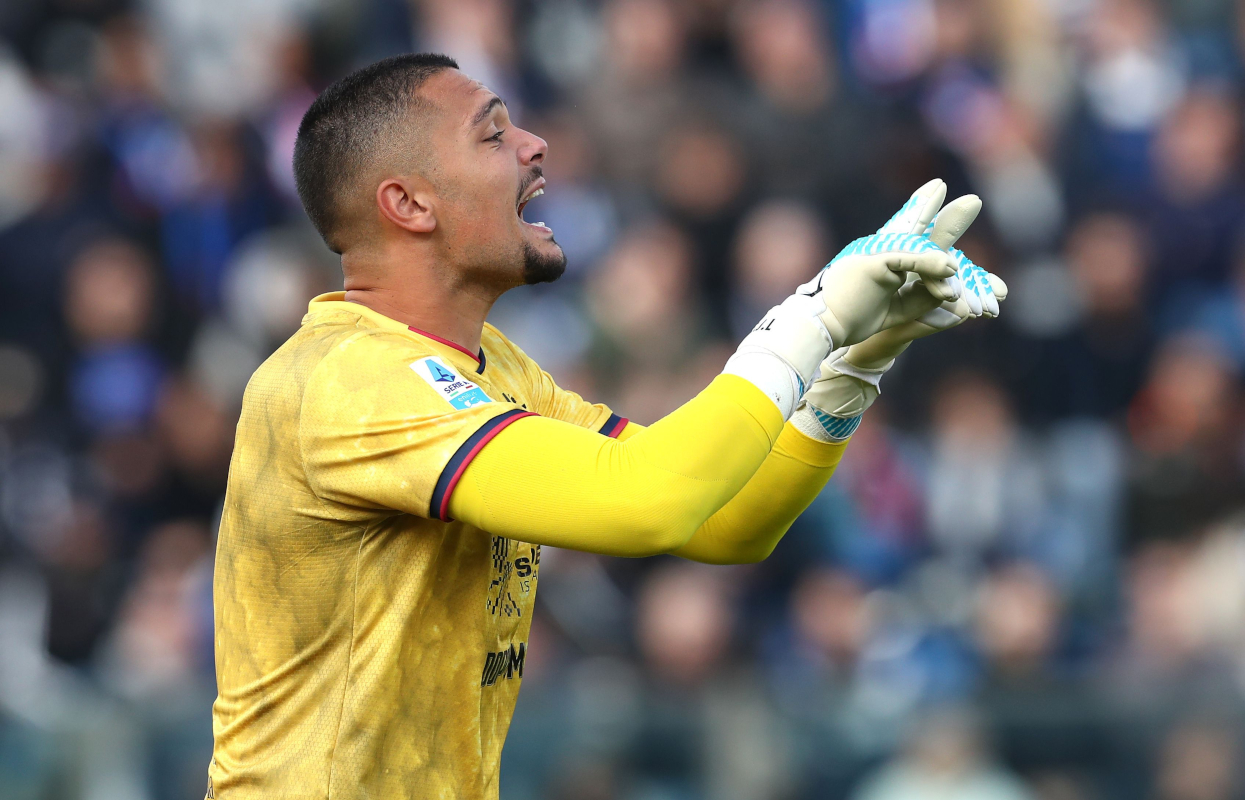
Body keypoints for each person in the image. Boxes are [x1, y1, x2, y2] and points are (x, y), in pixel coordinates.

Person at [206, 52, 1004, 799]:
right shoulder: (346, 380)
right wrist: (816, 314)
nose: (533, 144)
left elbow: (722, 522)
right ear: (408, 204)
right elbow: (648, 500)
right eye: (492, 133)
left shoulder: (498, 372)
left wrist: (851, 368)